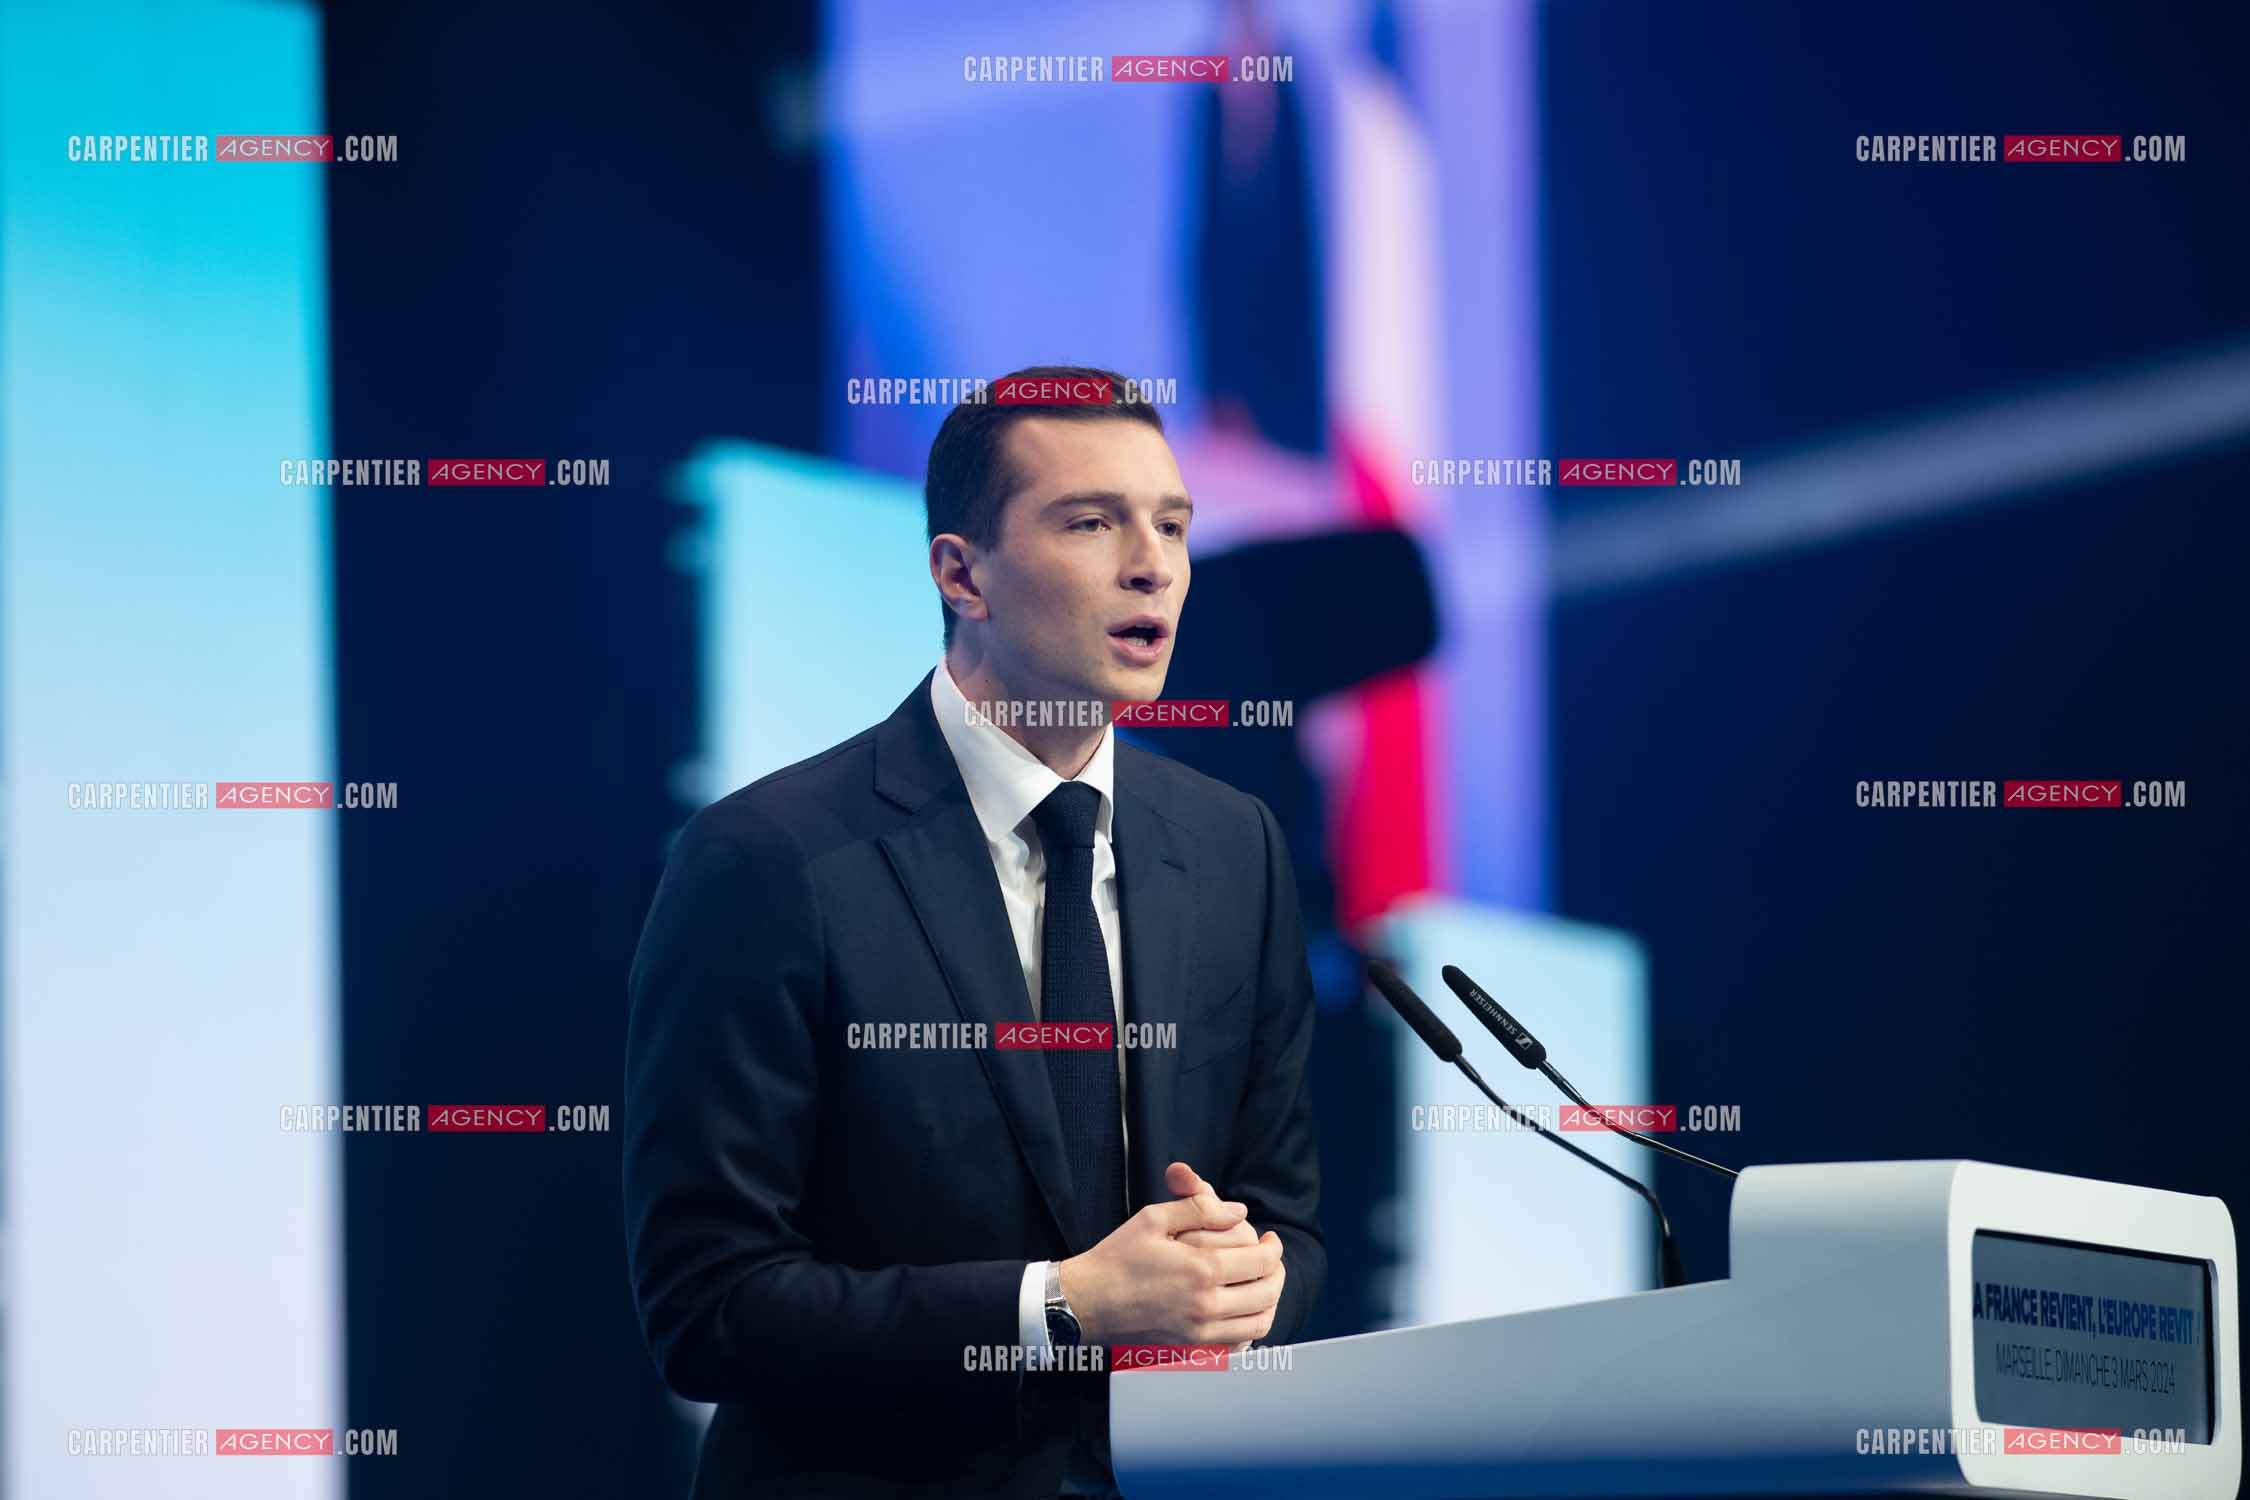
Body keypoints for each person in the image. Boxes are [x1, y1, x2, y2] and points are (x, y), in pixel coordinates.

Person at [623, 366, 1324, 1497]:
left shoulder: (1234, 847)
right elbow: (710, 1307)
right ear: (963, 574)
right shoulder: (771, 860)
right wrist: (1061, 1308)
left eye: (1173, 525)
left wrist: (1247, 1289)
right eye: (1091, 523)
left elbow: (1290, 1221)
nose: (1152, 563)